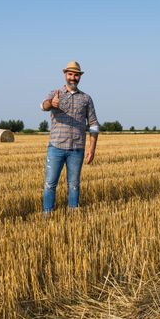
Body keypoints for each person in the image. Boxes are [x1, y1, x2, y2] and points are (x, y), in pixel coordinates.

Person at [40, 61, 100, 213]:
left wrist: (92, 149)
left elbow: (93, 124)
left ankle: (74, 213)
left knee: (74, 184)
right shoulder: (55, 93)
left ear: (80, 77)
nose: (73, 78)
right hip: (56, 147)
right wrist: (51, 103)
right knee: (49, 184)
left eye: (76, 75)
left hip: (77, 149)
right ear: (65, 75)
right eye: (70, 74)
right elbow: (43, 106)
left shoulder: (86, 99)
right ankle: (47, 214)